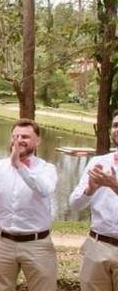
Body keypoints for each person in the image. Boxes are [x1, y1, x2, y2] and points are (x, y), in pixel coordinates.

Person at [0, 118, 57, 291]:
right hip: (2, 243)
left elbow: (44, 189)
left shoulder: (46, 168)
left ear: (38, 141)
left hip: (37, 244)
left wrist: (19, 165)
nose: (19, 140)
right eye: (15, 136)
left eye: (25, 137)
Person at [69, 112, 118, 291]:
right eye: (115, 125)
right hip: (97, 247)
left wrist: (115, 186)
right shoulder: (98, 162)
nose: (117, 130)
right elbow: (74, 205)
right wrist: (90, 190)